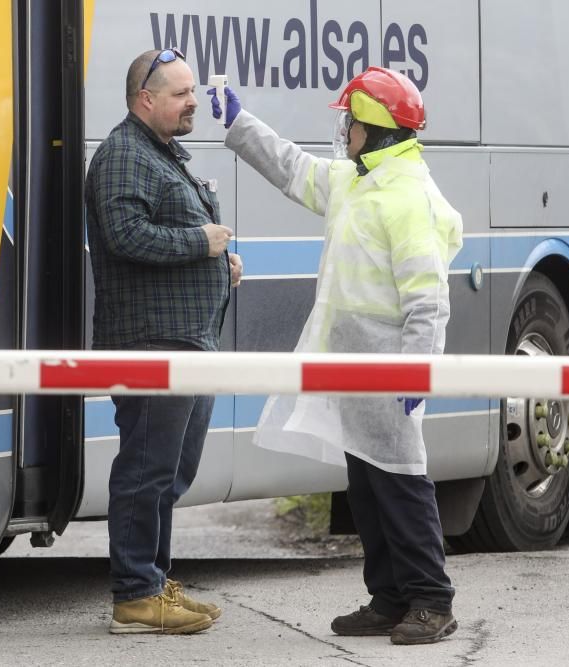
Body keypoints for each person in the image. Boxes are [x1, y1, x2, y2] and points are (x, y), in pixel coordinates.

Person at [210, 66, 462, 644]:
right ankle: (390, 597)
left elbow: (428, 300)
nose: (344, 130)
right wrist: (241, 124)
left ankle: (431, 600)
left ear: (373, 128)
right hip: (354, 366)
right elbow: (294, 170)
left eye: (351, 121)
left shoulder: (406, 197)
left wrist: (417, 366)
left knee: (400, 482)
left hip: (390, 367)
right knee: (367, 485)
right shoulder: (358, 179)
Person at [85, 48, 242, 633]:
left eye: (192, 91)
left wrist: (217, 263)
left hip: (187, 340)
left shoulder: (160, 154)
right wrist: (200, 246)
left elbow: (165, 232)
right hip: (152, 342)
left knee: (172, 470)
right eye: (180, 93)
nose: (193, 102)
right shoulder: (123, 155)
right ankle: (134, 595)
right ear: (144, 100)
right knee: (147, 468)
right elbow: (127, 235)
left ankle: (154, 582)